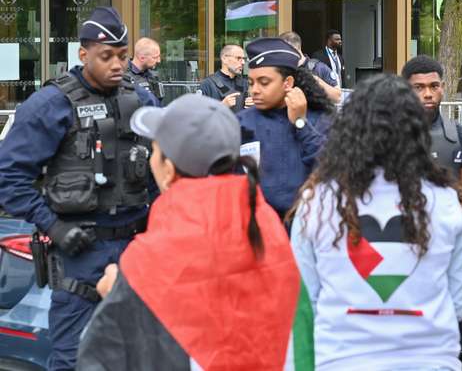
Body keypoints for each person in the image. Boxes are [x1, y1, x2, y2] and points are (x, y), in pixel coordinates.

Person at [76, 94, 300, 370]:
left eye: (155, 151)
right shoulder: (267, 226)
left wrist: (120, 298)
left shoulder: (152, 256)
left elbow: (99, 360)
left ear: (168, 169)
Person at [0, 6, 157, 371]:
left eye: (122, 55)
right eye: (106, 57)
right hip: (80, 253)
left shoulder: (140, 98)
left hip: (137, 249)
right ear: (83, 54)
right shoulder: (50, 104)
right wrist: (52, 226)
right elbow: (8, 178)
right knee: (74, 360)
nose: (117, 65)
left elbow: (160, 168)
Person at [288, 74, 462, 371]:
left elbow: (302, 303)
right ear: (416, 132)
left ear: (349, 130)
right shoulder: (444, 201)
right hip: (430, 361)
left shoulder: (317, 202)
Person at [238, 38, 330, 218]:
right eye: (250, 83)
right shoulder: (241, 123)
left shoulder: (319, 119)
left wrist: (301, 123)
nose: (254, 90)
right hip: (257, 228)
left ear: (287, 83)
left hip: (305, 227)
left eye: (264, 82)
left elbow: (330, 168)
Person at [401, 55, 462, 221]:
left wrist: (456, 230)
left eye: (434, 86)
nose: (428, 94)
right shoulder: (388, 134)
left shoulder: (459, 134)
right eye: (418, 87)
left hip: (447, 234)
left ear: (442, 87)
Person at [279, 31, 343, 103]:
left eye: (282, 51)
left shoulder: (318, 68)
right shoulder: (282, 70)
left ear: (293, 49)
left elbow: (337, 97)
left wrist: (313, 79)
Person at [198, 44, 249, 113]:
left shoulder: (245, 83)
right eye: (238, 58)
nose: (243, 62)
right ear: (224, 59)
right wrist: (221, 106)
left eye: (244, 59)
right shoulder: (208, 84)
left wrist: (254, 107)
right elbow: (198, 115)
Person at [126, 37, 163, 105]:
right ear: (142, 58)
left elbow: (159, 103)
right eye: (155, 57)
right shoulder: (124, 76)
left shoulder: (153, 76)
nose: (159, 61)